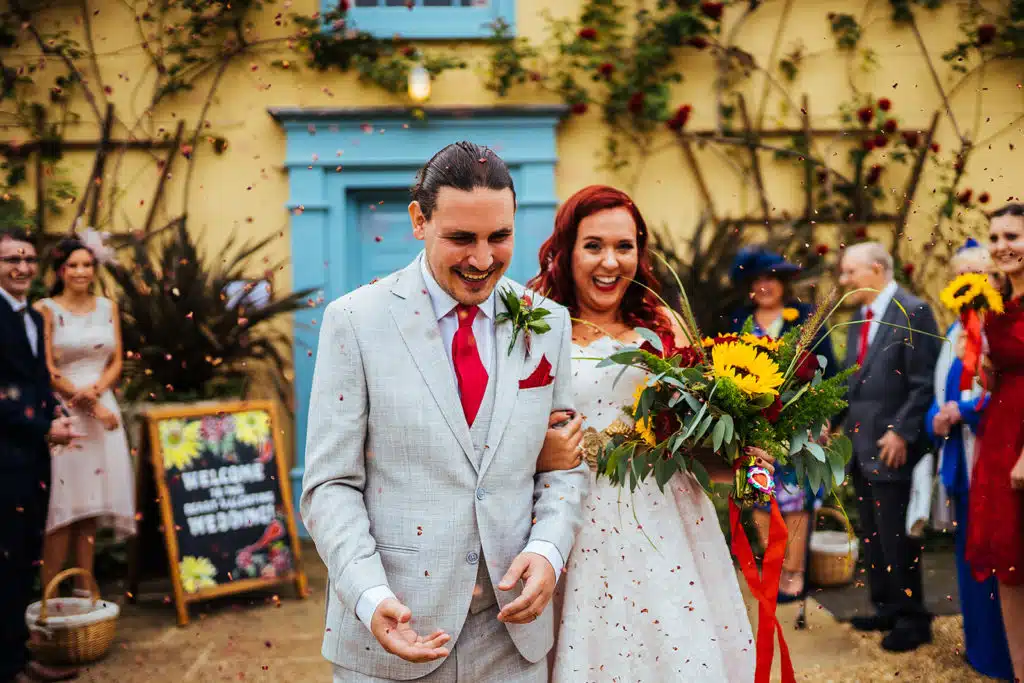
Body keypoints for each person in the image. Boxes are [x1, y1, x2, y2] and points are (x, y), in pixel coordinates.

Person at [300, 142, 589, 683]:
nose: (482, 261)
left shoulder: (547, 323)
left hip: (512, 639)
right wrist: (369, 596)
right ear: (418, 220)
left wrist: (549, 549)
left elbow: (566, 468)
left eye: (498, 238)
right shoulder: (354, 322)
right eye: (461, 238)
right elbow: (330, 485)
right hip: (390, 633)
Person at [529, 185, 766, 681]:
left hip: (668, 518)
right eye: (593, 245)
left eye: (624, 246)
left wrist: (740, 460)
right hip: (573, 520)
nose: (609, 262)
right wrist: (538, 454)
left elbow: (690, 444)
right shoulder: (537, 327)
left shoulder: (664, 326)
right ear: (566, 250)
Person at [837, 241, 941, 652]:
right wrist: (831, 424)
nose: (844, 281)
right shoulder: (860, 319)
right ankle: (885, 606)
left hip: (892, 445)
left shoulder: (914, 311)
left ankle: (913, 619)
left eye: (850, 272)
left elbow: (924, 380)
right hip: (861, 446)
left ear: (877, 270)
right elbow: (852, 383)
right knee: (874, 536)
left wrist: (901, 431)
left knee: (898, 538)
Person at [727, 246, 838, 602]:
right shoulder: (737, 320)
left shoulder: (805, 317)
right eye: (758, 280)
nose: (765, 286)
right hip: (752, 427)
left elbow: (829, 369)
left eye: (771, 279)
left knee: (795, 502)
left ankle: (795, 571)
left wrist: (825, 421)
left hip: (797, 425)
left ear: (783, 283)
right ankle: (773, 565)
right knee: (757, 497)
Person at [926, 239, 1013, 680]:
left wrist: (965, 409)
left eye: (977, 274)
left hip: (995, 454)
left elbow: (1005, 393)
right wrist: (938, 416)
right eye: (961, 274)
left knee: (1002, 557)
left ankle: (1005, 656)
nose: (969, 283)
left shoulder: (1001, 327)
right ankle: (979, 648)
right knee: (969, 559)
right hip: (961, 459)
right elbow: (939, 391)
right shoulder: (953, 332)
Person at [0, 227, 81, 683]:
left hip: (32, 460)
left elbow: (35, 381)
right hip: (4, 460)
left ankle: (16, 657)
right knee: (4, 560)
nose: (22, 268)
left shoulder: (32, 317)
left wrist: (57, 413)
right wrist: (40, 425)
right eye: (12, 259)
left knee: (24, 558)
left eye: (29, 259)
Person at [34, 235, 136, 595]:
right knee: (62, 509)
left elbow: (116, 360)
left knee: (91, 507)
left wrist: (97, 392)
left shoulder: (108, 307)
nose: (80, 271)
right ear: (60, 270)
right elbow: (44, 367)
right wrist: (90, 405)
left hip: (101, 406)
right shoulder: (45, 308)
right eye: (73, 265)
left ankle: (84, 590)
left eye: (87, 265)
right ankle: (48, 597)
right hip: (65, 412)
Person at [966, 202, 1024, 681]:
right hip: (1001, 432)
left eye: (1013, 237)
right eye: (996, 238)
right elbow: (994, 375)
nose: (1003, 246)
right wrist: (988, 366)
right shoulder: (997, 302)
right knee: (1009, 566)